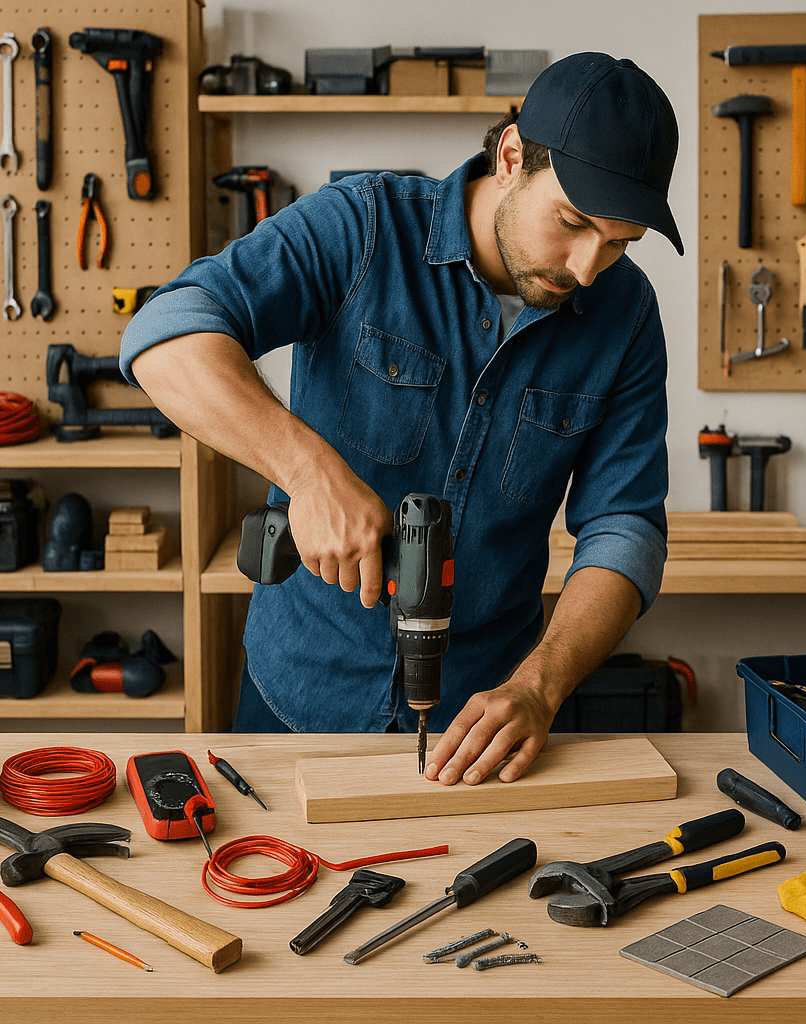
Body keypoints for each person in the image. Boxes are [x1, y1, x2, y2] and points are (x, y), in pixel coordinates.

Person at [121, 52, 682, 786]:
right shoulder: (363, 227)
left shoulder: (626, 315)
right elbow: (163, 334)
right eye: (572, 223)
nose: (584, 269)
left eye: (616, 244)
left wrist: (539, 686)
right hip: (297, 698)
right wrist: (306, 470)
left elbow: (627, 529)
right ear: (511, 155)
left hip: (483, 721)